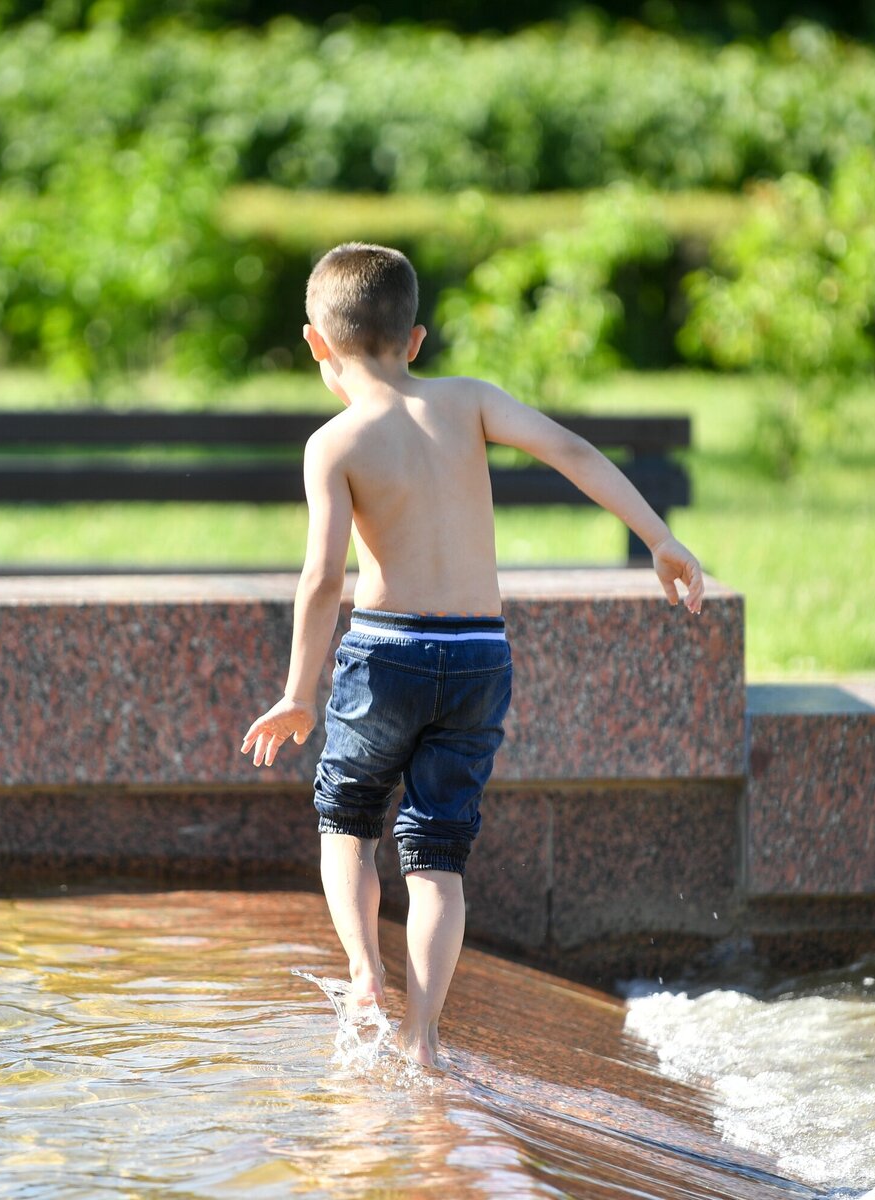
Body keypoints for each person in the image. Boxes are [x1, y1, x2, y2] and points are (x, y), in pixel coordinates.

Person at [240, 242, 703, 1068]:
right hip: (480, 656)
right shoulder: (470, 401)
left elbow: (321, 581)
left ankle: (362, 972)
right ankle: (422, 1038)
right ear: (415, 340)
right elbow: (574, 453)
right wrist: (659, 539)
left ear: (316, 344)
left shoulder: (335, 442)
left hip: (387, 651)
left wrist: (299, 690)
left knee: (346, 819)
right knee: (437, 857)